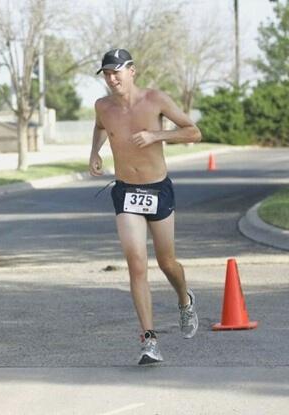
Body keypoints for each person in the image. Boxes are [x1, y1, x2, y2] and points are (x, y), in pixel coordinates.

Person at [90, 49, 201, 365]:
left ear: (132, 71)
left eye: (116, 72)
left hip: (157, 189)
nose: (112, 78)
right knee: (136, 263)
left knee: (167, 262)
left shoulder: (155, 100)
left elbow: (194, 132)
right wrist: (94, 153)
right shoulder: (103, 106)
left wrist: (156, 135)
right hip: (126, 191)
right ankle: (149, 340)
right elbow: (100, 126)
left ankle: (184, 299)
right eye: (107, 73)